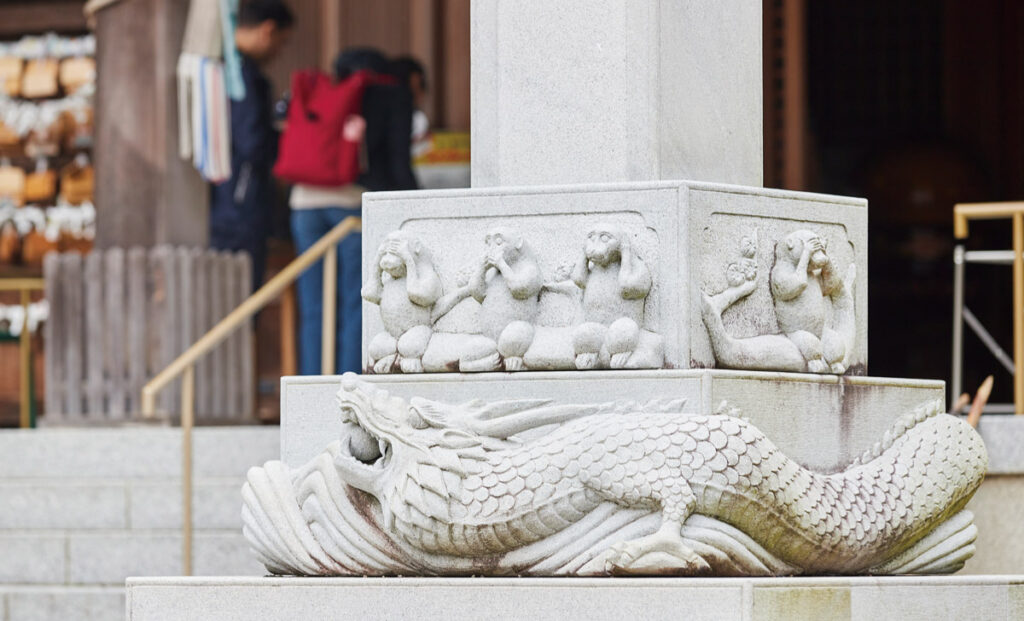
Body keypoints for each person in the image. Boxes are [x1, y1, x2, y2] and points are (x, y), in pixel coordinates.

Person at [289, 47, 418, 375]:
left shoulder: (322, 94)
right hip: (351, 209)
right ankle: (348, 384)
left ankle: (312, 385)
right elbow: (398, 165)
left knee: (313, 307)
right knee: (355, 302)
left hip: (304, 205)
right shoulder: (389, 95)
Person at [210, 0, 293, 292]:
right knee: (240, 299)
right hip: (240, 206)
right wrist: (281, 136)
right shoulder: (244, 77)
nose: (278, 52)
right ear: (267, 31)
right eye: (281, 43)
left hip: (221, 201)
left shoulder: (216, 65)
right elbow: (252, 142)